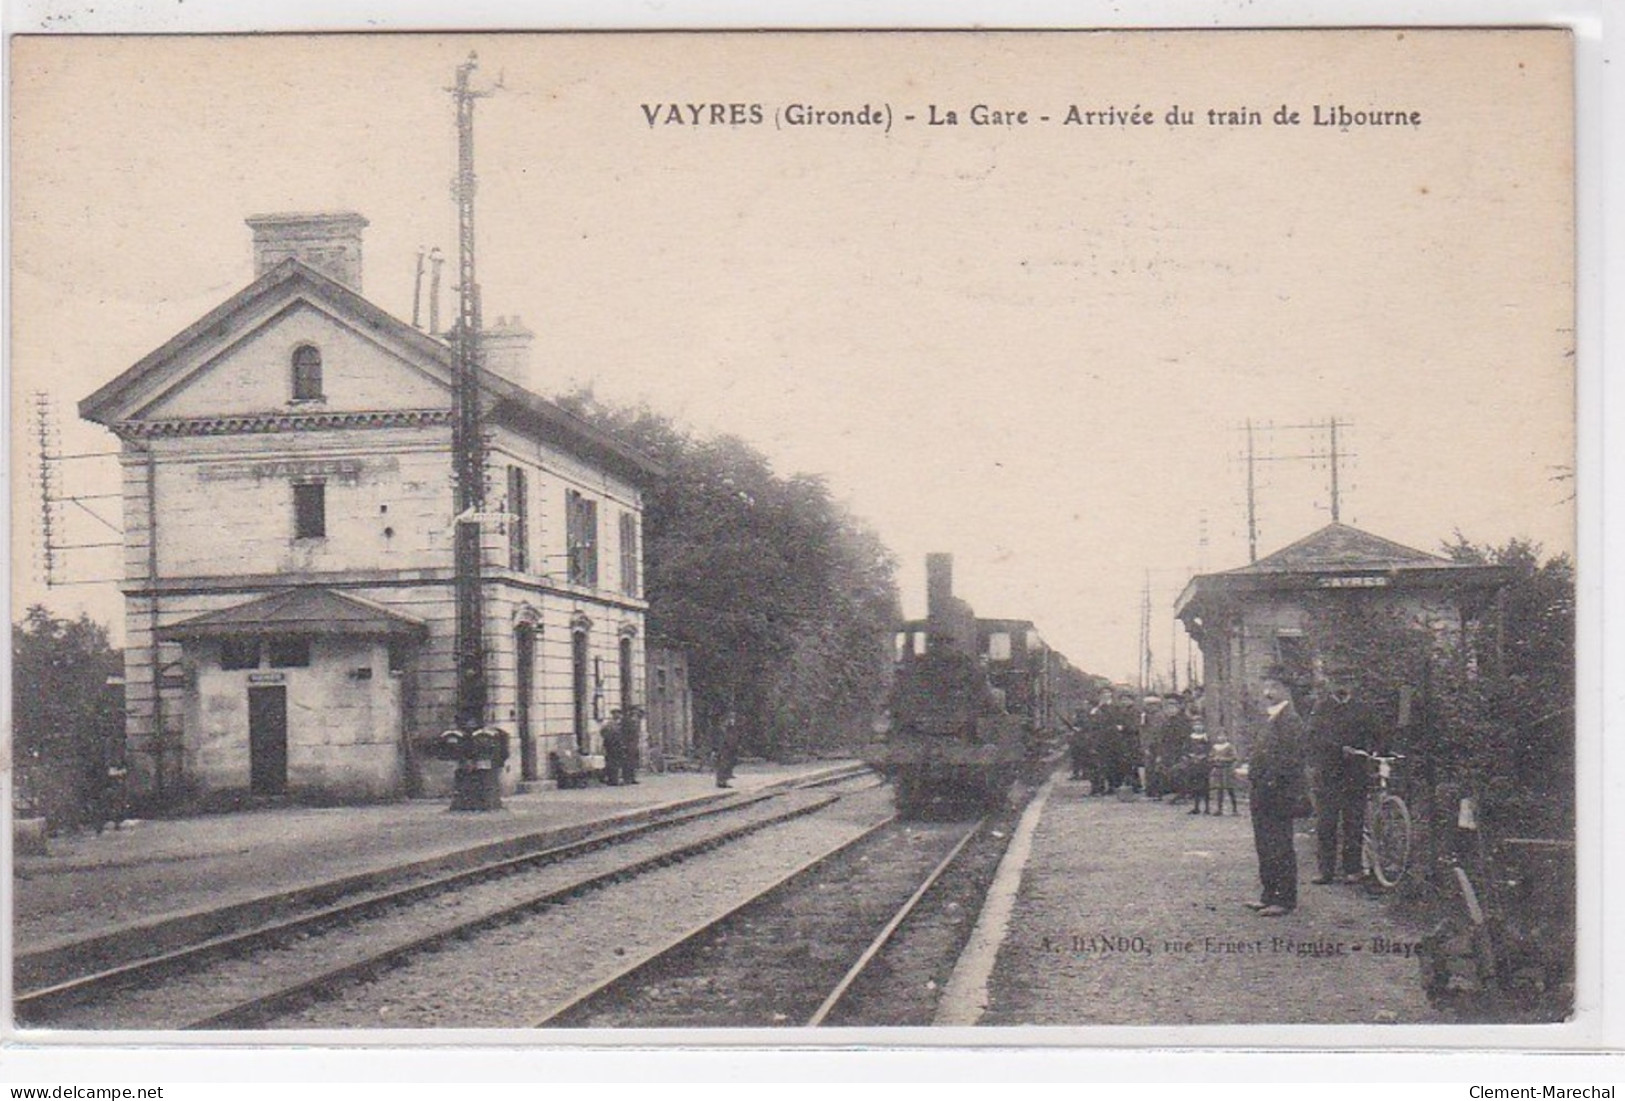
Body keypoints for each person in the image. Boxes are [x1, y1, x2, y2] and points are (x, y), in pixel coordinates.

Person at [1244, 671, 1312, 917]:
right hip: (1262, 791)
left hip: (1278, 792)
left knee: (1279, 845)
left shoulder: (1291, 720)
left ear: (1286, 690)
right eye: (1266, 687)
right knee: (1264, 844)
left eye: (1273, 687)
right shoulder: (1271, 717)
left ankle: (1284, 899)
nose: (1267, 692)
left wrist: (1269, 781)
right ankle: (1268, 895)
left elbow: (1289, 759)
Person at [1308, 681, 1378, 884]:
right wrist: (1338, 749)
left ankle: (1352, 869)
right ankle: (1325, 871)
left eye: (1346, 679)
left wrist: (1375, 751)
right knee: (1326, 823)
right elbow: (1313, 736)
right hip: (1328, 773)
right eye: (1338, 680)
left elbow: (1376, 733)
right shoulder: (1321, 708)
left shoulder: (1363, 708)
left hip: (1355, 774)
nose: (1342, 685)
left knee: (1353, 822)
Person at [1208, 734, 1239, 816]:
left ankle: (1235, 809)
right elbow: (1210, 757)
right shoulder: (1215, 747)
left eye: (1223, 736)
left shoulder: (1229, 746)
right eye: (1219, 736)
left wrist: (1223, 759)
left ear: (1226, 737)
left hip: (1227, 770)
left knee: (1230, 789)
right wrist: (1214, 759)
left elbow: (1234, 757)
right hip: (1218, 770)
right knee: (1219, 790)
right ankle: (1219, 809)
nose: (1221, 738)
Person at [715, 706, 742, 789]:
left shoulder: (732, 727)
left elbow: (734, 736)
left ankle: (725, 779)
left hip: (731, 748)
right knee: (724, 764)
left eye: (733, 717)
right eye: (731, 717)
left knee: (730, 763)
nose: (732, 719)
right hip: (725, 748)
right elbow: (722, 738)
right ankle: (721, 781)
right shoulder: (723, 728)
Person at [600, 708, 625, 785]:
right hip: (611, 746)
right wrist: (608, 739)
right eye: (617, 714)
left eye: (619, 714)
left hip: (617, 745)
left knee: (616, 763)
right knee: (612, 763)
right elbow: (602, 732)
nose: (618, 715)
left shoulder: (618, 724)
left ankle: (614, 779)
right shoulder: (609, 724)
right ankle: (612, 779)